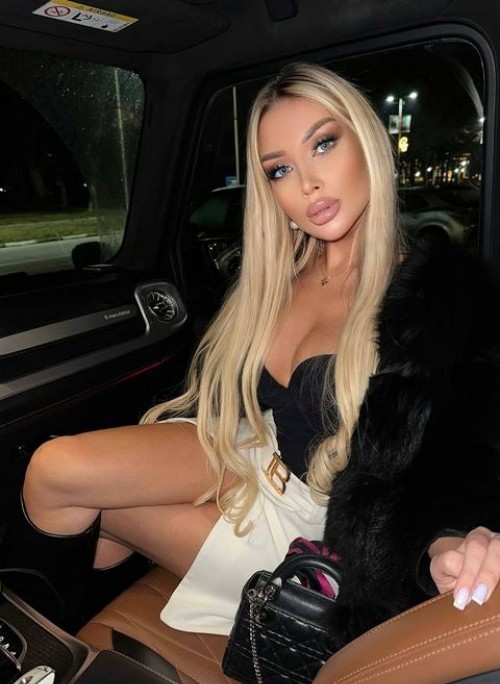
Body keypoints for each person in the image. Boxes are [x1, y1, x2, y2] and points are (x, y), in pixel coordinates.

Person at [1, 62, 500, 652]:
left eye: (323, 144)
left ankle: (39, 651)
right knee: (53, 466)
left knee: (85, 502)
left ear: (368, 142)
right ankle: (51, 649)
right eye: (280, 169)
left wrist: (447, 541)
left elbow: (460, 460)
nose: (307, 183)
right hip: (251, 451)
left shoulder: (434, 302)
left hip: (316, 527)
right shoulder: (277, 275)